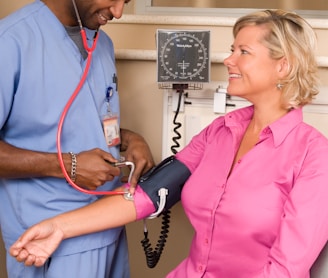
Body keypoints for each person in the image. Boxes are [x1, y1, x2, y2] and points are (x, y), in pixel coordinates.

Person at [9, 9, 328, 277]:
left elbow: (287, 269)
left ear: (282, 66)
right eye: (232, 49)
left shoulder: (313, 156)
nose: (228, 59)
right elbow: (147, 195)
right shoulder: (220, 131)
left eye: (243, 52)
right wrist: (59, 227)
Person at [0, 0, 155, 277]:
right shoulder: (10, 42)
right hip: (49, 241)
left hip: (109, 226)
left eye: (127, 2)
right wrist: (68, 166)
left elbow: (81, 120)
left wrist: (131, 139)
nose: (118, 13)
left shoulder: (102, 43)